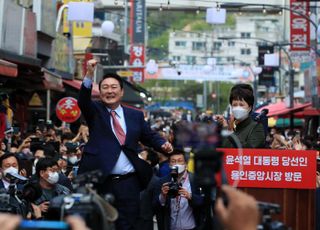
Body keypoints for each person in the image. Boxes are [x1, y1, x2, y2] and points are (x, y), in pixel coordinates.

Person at [78, 59, 173, 230]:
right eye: (105, 87)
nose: (109, 91)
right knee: (99, 223)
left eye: (114, 87)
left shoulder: (134, 115)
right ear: (99, 93)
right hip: (101, 181)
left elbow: (149, 135)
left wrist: (163, 144)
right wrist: (89, 74)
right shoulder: (95, 111)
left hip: (128, 183)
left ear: (121, 92)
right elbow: (83, 101)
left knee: (128, 224)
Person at [154, 150, 204, 230]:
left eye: (180, 161)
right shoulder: (162, 182)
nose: (177, 164)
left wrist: (190, 196)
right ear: (169, 165)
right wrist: (162, 196)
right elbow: (155, 206)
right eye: (173, 161)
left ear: (185, 164)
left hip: (192, 227)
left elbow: (204, 201)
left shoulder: (196, 180)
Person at [215, 84, 265, 148]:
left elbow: (247, 150)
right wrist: (223, 127)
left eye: (241, 105)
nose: (238, 108)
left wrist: (230, 132)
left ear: (249, 107)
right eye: (235, 105)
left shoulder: (256, 127)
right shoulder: (231, 126)